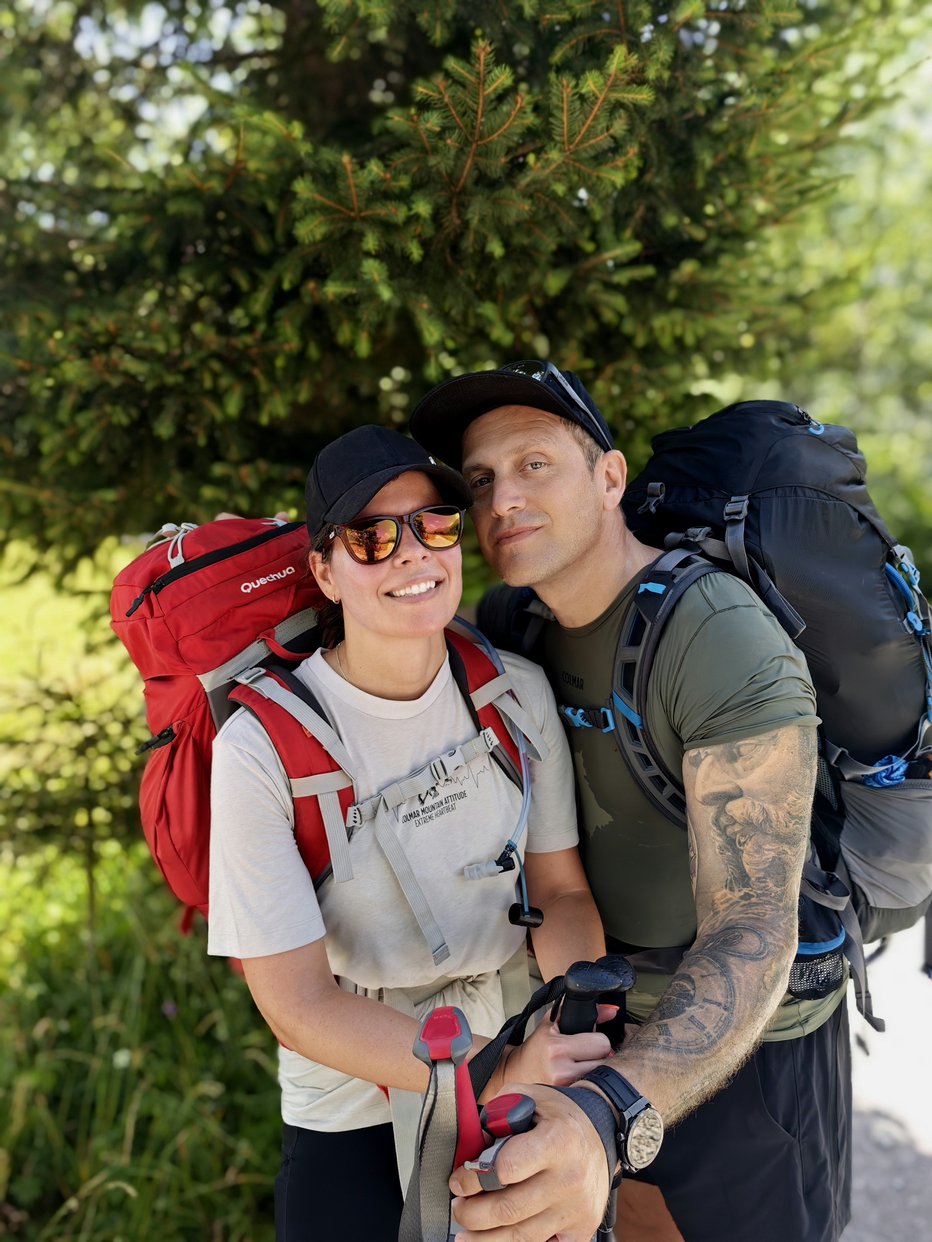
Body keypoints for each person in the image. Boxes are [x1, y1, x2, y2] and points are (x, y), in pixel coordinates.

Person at [409, 362, 850, 1242]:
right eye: (483, 479)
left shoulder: (714, 635)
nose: (503, 500)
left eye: (536, 464)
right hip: (592, 1032)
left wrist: (613, 1106)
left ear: (610, 479)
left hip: (744, 1055)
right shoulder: (512, 623)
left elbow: (756, 925)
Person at [206, 424, 613, 1242]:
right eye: (371, 535)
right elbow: (297, 1006)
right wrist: (487, 1070)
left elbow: (562, 892)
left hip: (513, 1063)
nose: (412, 554)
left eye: (434, 525)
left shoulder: (512, 695)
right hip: (351, 1098)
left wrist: (574, 1025)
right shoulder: (262, 746)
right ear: (324, 569)